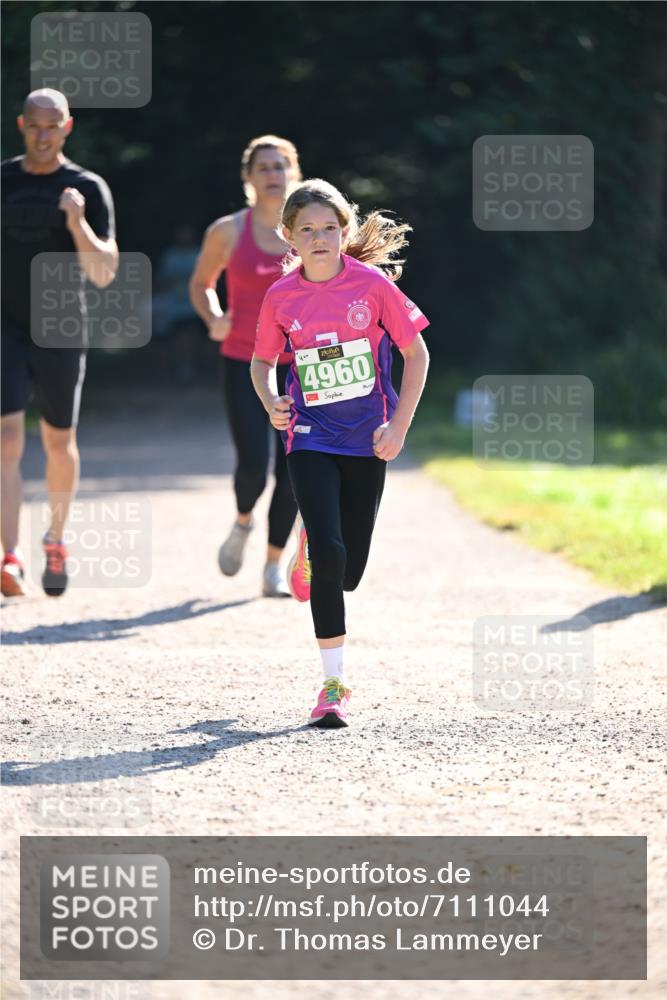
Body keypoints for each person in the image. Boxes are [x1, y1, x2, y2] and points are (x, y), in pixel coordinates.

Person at [251, 179, 430, 727]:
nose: (320, 237)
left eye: (329, 227)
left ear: (344, 232)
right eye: (307, 229)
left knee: (347, 569)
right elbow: (262, 363)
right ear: (289, 236)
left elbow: (416, 353)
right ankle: (333, 684)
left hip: (367, 438)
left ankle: (314, 547)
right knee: (331, 556)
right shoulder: (281, 296)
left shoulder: (372, 286)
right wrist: (273, 402)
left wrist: (398, 426)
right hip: (309, 434)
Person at [1, 89, 118, 598]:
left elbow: (105, 272)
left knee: (56, 440)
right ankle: (9, 555)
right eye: (35, 125)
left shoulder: (86, 186)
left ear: (67, 127)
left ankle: (55, 537)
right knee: (6, 440)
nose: (44, 135)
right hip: (3, 325)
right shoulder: (2, 179)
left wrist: (77, 220)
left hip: (61, 326)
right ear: (22, 124)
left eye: (54, 126)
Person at [189, 135, 301, 597]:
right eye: (264, 168)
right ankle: (242, 521)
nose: (273, 175)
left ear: (293, 173)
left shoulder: (311, 228)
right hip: (244, 361)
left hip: (303, 367)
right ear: (249, 179)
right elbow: (201, 283)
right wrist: (214, 318)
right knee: (253, 464)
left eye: (280, 166)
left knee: (293, 468)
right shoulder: (227, 231)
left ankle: (273, 565)